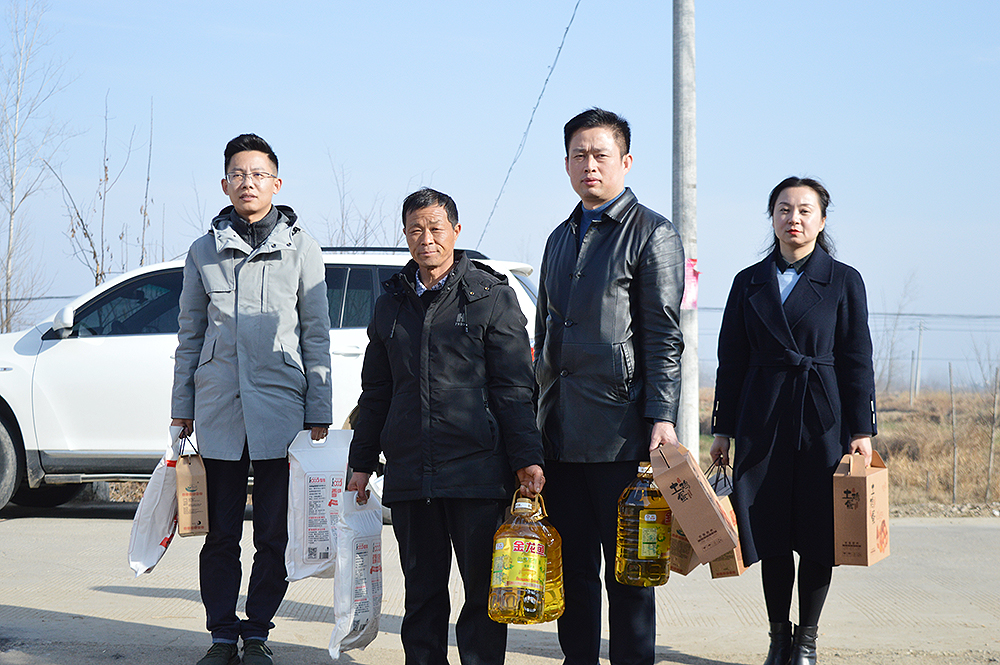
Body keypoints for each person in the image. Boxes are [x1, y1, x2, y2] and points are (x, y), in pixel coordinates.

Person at [347, 188, 545, 665]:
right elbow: (376, 391)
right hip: (411, 473)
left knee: (483, 597)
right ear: (405, 235)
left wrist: (527, 459)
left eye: (436, 228)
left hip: (477, 472)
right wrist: (361, 462)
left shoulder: (491, 296)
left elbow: (515, 388)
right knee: (422, 597)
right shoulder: (391, 303)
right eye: (416, 229)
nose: (427, 239)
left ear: (456, 231)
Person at [171, 134, 332, 665]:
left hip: (280, 412)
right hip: (219, 409)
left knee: (273, 535)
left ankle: (258, 630)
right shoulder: (203, 252)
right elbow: (190, 334)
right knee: (219, 534)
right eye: (238, 174)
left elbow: (316, 336)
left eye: (258, 174)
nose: (248, 183)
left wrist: (319, 409)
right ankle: (222, 634)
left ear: (276, 183)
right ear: (225, 184)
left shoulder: (303, 250)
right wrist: (182, 407)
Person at [534, 108, 685, 665]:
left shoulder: (652, 233)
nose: (589, 165)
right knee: (572, 574)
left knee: (630, 577)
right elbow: (544, 335)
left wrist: (661, 417)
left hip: (622, 437)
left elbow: (664, 336)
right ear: (566, 164)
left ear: (626, 161)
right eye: (579, 155)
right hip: (561, 435)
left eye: (600, 154)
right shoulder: (559, 237)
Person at [709, 177, 877, 665]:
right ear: (773, 217)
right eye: (784, 209)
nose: (794, 219)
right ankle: (778, 638)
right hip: (761, 418)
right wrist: (722, 429)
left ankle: (807, 641)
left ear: (822, 221)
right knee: (769, 531)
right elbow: (731, 361)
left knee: (820, 532)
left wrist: (862, 431)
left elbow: (857, 359)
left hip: (823, 420)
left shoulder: (843, 280)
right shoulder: (748, 281)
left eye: (805, 210)